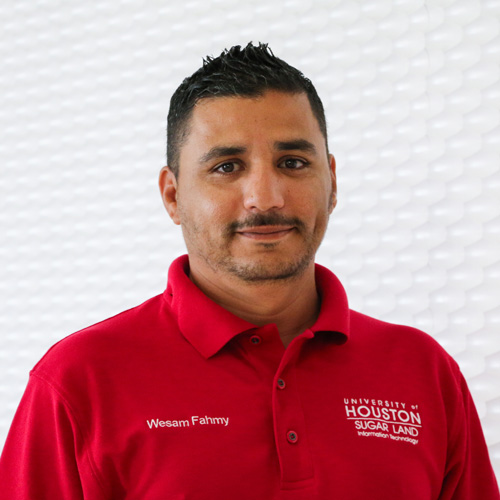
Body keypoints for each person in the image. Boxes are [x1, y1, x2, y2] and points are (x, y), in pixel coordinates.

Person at [0, 42, 498, 500]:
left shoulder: (424, 372)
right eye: (227, 167)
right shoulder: (77, 382)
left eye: (293, 162)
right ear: (173, 196)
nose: (266, 198)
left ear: (333, 181)